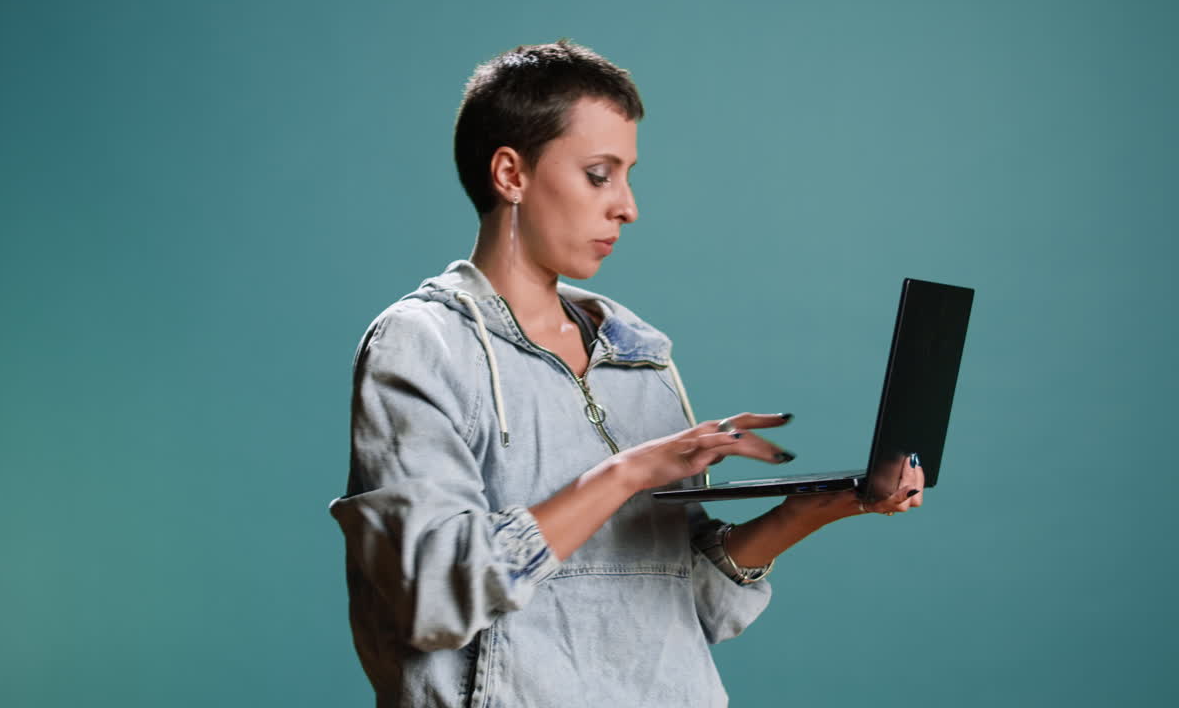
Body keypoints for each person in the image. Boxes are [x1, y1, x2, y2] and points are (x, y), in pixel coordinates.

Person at [329, 39, 924, 707]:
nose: (627, 206)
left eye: (628, 174)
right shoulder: (421, 346)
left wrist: (813, 510)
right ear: (510, 174)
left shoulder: (637, 353)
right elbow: (432, 595)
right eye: (598, 173)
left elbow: (686, 599)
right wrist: (625, 473)